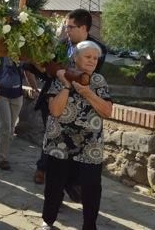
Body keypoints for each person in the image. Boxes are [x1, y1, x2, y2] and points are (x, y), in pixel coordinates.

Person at [40, 40, 113, 230]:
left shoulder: (99, 81)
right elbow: (55, 111)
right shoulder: (61, 77)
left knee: (91, 188)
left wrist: (88, 93)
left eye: (95, 58)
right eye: (88, 57)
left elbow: (107, 111)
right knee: (55, 185)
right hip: (60, 140)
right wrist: (66, 86)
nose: (92, 61)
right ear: (76, 58)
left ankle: (90, 226)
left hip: (90, 144)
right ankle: (48, 221)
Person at [33, 8, 107, 189]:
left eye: (70, 27)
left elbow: (88, 78)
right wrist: (51, 68)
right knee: (52, 140)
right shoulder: (62, 45)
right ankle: (46, 173)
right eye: (66, 27)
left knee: (74, 147)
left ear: (83, 29)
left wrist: (64, 73)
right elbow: (48, 65)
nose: (67, 31)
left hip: (81, 108)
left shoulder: (97, 50)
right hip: (54, 100)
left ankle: (69, 184)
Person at [0, 57, 38, 170]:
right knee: (5, 126)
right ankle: (2, 158)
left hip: (17, 94)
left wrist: (34, 87)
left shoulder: (22, 54)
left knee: (11, 127)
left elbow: (28, 72)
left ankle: (4, 152)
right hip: (1, 94)